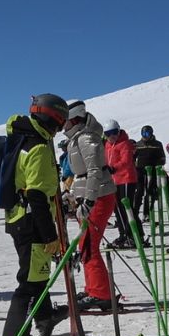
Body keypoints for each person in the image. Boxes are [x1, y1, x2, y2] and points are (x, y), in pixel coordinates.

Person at [0, 94, 70, 336]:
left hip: (19, 219)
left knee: (36, 274)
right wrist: (50, 235)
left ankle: (44, 317)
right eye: (60, 123)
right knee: (28, 282)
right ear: (53, 119)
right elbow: (38, 196)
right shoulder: (39, 147)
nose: (59, 129)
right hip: (31, 222)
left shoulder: (22, 139)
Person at [64, 100, 118, 312]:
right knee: (85, 245)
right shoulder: (78, 138)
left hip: (99, 197)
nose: (63, 125)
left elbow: (95, 171)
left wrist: (89, 200)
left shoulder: (87, 138)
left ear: (74, 119)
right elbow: (81, 174)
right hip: (89, 196)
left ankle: (101, 294)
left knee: (88, 245)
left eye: (65, 121)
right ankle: (94, 288)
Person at [102, 119, 137, 247]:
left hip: (126, 178)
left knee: (126, 208)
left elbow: (126, 161)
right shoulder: (107, 145)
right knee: (117, 209)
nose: (112, 136)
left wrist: (114, 168)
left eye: (114, 132)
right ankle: (123, 234)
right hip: (114, 180)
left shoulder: (124, 143)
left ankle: (132, 235)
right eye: (108, 133)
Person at [134, 125, 166, 225]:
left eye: (147, 134)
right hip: (140, 171)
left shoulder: (157, 144)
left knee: (150, 193)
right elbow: (133, 157)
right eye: (143, 134)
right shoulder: (139, 145)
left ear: (151, 134)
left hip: (152, 172)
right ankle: (135, 213)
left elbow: (162, 158)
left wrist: (157, 165)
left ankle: (147, 213)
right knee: (139, 192)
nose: (145, 136)